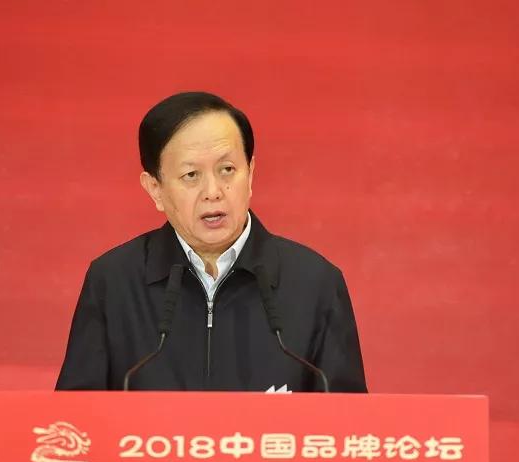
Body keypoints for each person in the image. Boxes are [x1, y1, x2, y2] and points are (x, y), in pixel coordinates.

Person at [56, 92, 367, 392]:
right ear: (155, 189)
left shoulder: (316, 284)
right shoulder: (113, 282)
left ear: (251, 174)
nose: (213, 192)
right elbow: (76, 419)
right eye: (191, 175)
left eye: (227, 170)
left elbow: (348, 422)